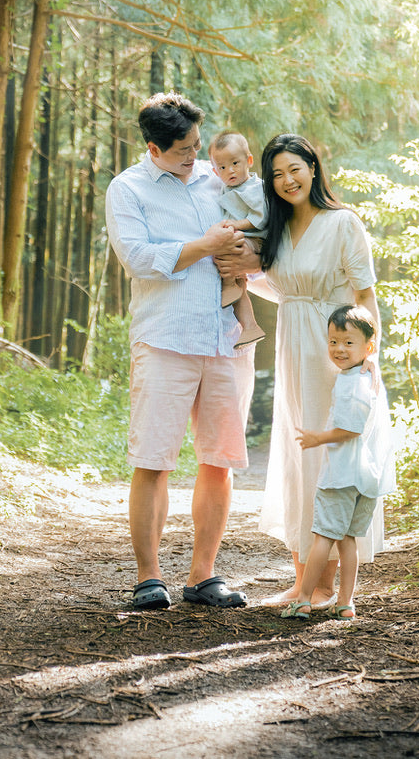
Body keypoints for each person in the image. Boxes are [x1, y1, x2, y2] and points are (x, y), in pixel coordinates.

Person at [219, 133, 384, 607]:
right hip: (293, 348)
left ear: (313, 168)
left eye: (295, 168)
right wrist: (242, 273)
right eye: (276, 174)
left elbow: (365, 294)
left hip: (335, 351)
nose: (287, 180)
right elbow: (287, 289)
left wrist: (370, 358)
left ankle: (325, 585)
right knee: (296, 457)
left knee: (327, 460)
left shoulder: (343, 223)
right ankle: (300, 580)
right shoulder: (278, 229)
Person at [105, 92, 254, 611]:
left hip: (223, 341)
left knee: (218, 461)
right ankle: (149, 578)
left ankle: (203, 577)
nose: (197, 157)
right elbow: (140, 259)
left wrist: (243, 256)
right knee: (153, 459)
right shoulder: (129, 189)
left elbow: (256, 241)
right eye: (184, 150)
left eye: (197, 145)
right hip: (164, 339)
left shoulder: (221, 179)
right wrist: (205, 247)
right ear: (154, 147)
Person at [281, 304, 396, 621]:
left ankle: (303, 598)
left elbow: (350, 429)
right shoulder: (369, 376)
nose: (339, 349)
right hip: (367, 477)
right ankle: (345, 602)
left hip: (342, 475)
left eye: (348, 342)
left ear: (367, 347)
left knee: (323, 537)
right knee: (348, 540)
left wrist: (319, 438)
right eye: (333, 341)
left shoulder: (351, 383)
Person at [208, 130, 266, 348]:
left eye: (235, 163)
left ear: (248, 161)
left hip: (255, 239)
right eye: (222, 167)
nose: (229, 170)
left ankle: (230, 284)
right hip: (242, 239)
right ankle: (250, 327)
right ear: (215, 170)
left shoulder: (254, 188)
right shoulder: (228, 187)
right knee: (239, 282)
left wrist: (236, 225)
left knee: (226, 248)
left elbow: (261, 217)